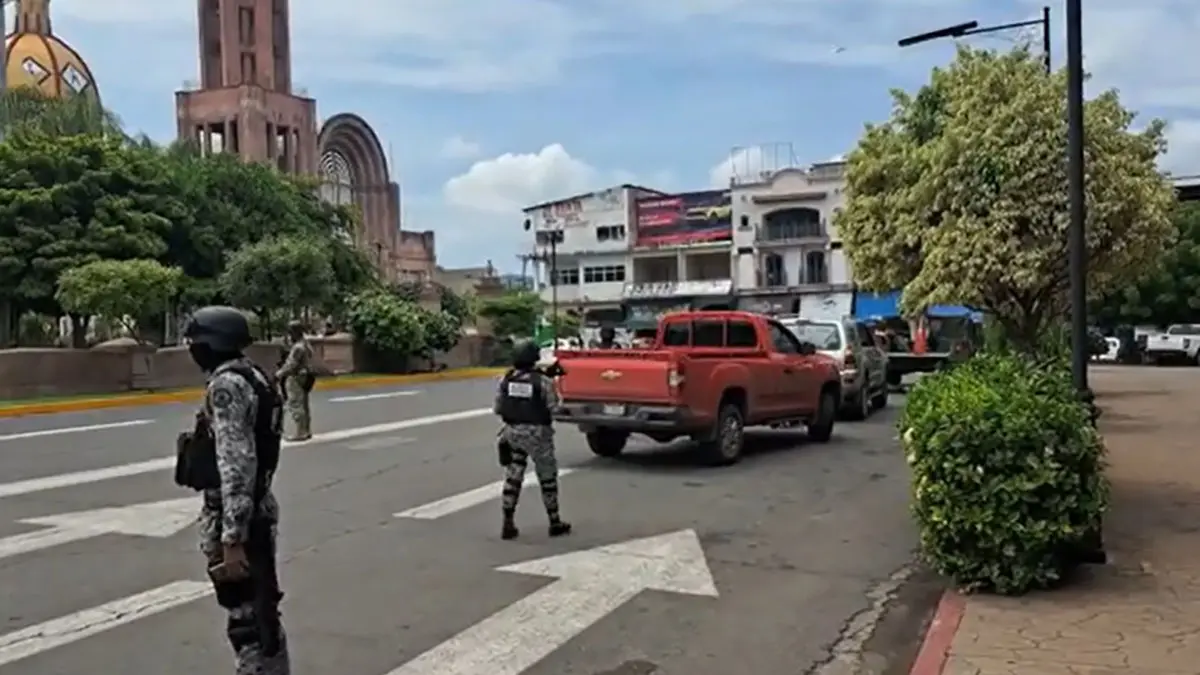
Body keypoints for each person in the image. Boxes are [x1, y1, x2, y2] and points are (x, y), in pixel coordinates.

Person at [181, 306, 290, 675]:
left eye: (195, 342)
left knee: (247, 619)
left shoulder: (227, 386)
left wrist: (232, 537)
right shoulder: (255, 376)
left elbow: (236, 462)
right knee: (263, 612)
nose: (191, 348)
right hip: (258, 505)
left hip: (238, 516)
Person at [494, 341, 571, 540]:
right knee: (547, 478)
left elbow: (498, 408)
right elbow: (554, 408)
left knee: (513, 478)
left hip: (513, 433)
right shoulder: (542, 382)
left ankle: (508, 522)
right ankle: (554, 521)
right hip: (539, 436)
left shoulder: (506, 379)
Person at [275, 321, 313, 442]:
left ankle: (301, 432)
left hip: (296, 376)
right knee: (304, 404)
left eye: (290, 332)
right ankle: (306, 430)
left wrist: (278, 374)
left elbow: (291, 364)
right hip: (305, 376)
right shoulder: (306, 344)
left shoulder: (298, 347)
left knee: (295, 403)